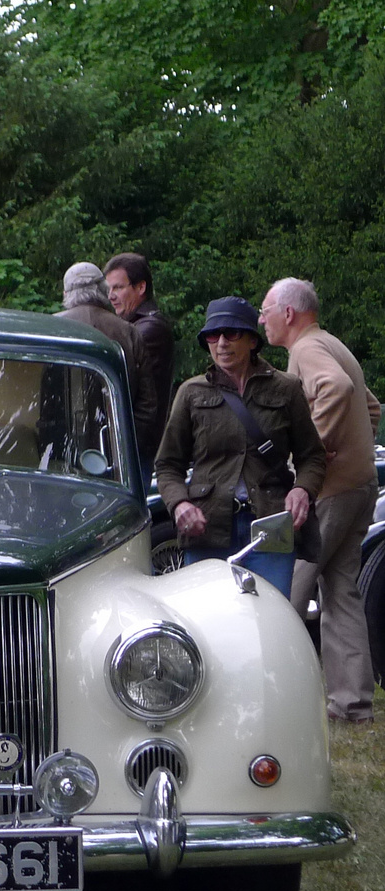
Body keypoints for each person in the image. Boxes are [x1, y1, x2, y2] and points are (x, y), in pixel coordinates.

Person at [259, 277, 382, 723]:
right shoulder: (332, 343)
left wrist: (312, 450)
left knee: (286, 589)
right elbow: (371, 409)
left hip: (328, 491)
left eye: (265, 309)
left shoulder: (307, 351)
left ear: (288, 314)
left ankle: (274, 701)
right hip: (360, 485)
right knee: (342, 593)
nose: (260, 319)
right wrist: (348, 449)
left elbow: (337, 390)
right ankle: (352, 705)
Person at [156, 296, 326, 598]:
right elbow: (168, 465)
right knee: (211, 620)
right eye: (212, 335)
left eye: (231, 333)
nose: (221, 343)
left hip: (269, 528)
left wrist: (303, 490)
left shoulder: (285, 389)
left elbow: (312, 456)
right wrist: (179, 504)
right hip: (207, 529)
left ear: (252, 340)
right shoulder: (191, 393)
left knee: (271, 619)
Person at [55, 261, 158, 482]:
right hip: (121, 458)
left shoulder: (52, 328)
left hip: (65, 456)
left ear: (66, 293)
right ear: (103, 290)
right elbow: (147, 405)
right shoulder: (128, 332)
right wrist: (124, 447)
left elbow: (45, 402)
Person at [104, 253, 175, 463]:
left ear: (140, 288)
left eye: (118, 287)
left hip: (137, 447)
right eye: (108, 289)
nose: (110, 296)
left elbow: (130, 388)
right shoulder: (136, 326)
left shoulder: (149, 329)